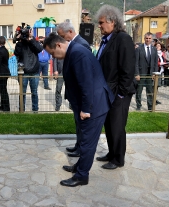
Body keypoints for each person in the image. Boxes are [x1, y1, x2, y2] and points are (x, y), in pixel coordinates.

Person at [43, 33, 114, 187]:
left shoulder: (77, 53)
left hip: (94, 105)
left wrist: (86, 109)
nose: (53, 57)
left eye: (52, 53)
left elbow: (86, 83)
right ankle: (79, 167)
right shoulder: (74, 50)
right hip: (90, 104)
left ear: (59, 45)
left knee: (88, 142)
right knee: (84, 141)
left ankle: (82, 176)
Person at [95, 5, 136, 170]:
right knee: (109, 125)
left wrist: (120, 94)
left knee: (117, 126)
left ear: (112, 21)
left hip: (119, 93)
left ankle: (118, 159)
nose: (99, 26)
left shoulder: (122, 38)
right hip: (107, 92)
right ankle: (112, 153)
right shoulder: (107, 40)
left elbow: (128, 69)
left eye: (102, 22)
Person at [56, 21, 91, 157]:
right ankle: (78, 145)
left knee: (81, 123)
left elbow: (84, 74)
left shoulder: (81, 44)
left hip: (79, 93)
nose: (61, 39)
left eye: (62, 35)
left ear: (70, 32)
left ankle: (81, 149)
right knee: (77, 122)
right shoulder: (74, 44)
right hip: (74, 92)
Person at [14, 27, 43, 112]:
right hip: (23, 72)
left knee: (34, 92)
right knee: (22, 93)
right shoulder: (20, 43)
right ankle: (21, 109)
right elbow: (17, 53)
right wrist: (19, 41)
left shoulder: (33, 41)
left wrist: (31, 39)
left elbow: (39, 49)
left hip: (34, 71)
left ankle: (35, 110)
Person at [135, 32, 158, 111]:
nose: (148, 40)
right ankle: (138, 106)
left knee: (150, 91)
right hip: (141, 74)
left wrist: (155, 74)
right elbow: (136, 62)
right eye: (146, 38)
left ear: (152, 39)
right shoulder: (139, 48)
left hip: (150, 74)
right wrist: (137, 73)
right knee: (139, 91)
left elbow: (155, 63)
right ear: (144, 39)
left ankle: (150, 107)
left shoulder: (154, 49)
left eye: (149, 38)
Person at [0, 36, 11, 111]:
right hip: (5, 72)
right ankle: (3, 105)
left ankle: (6, 107)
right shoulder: (6, 50)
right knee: (3, 90)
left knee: (3, 90)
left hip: (1, 73)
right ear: (4, 42)